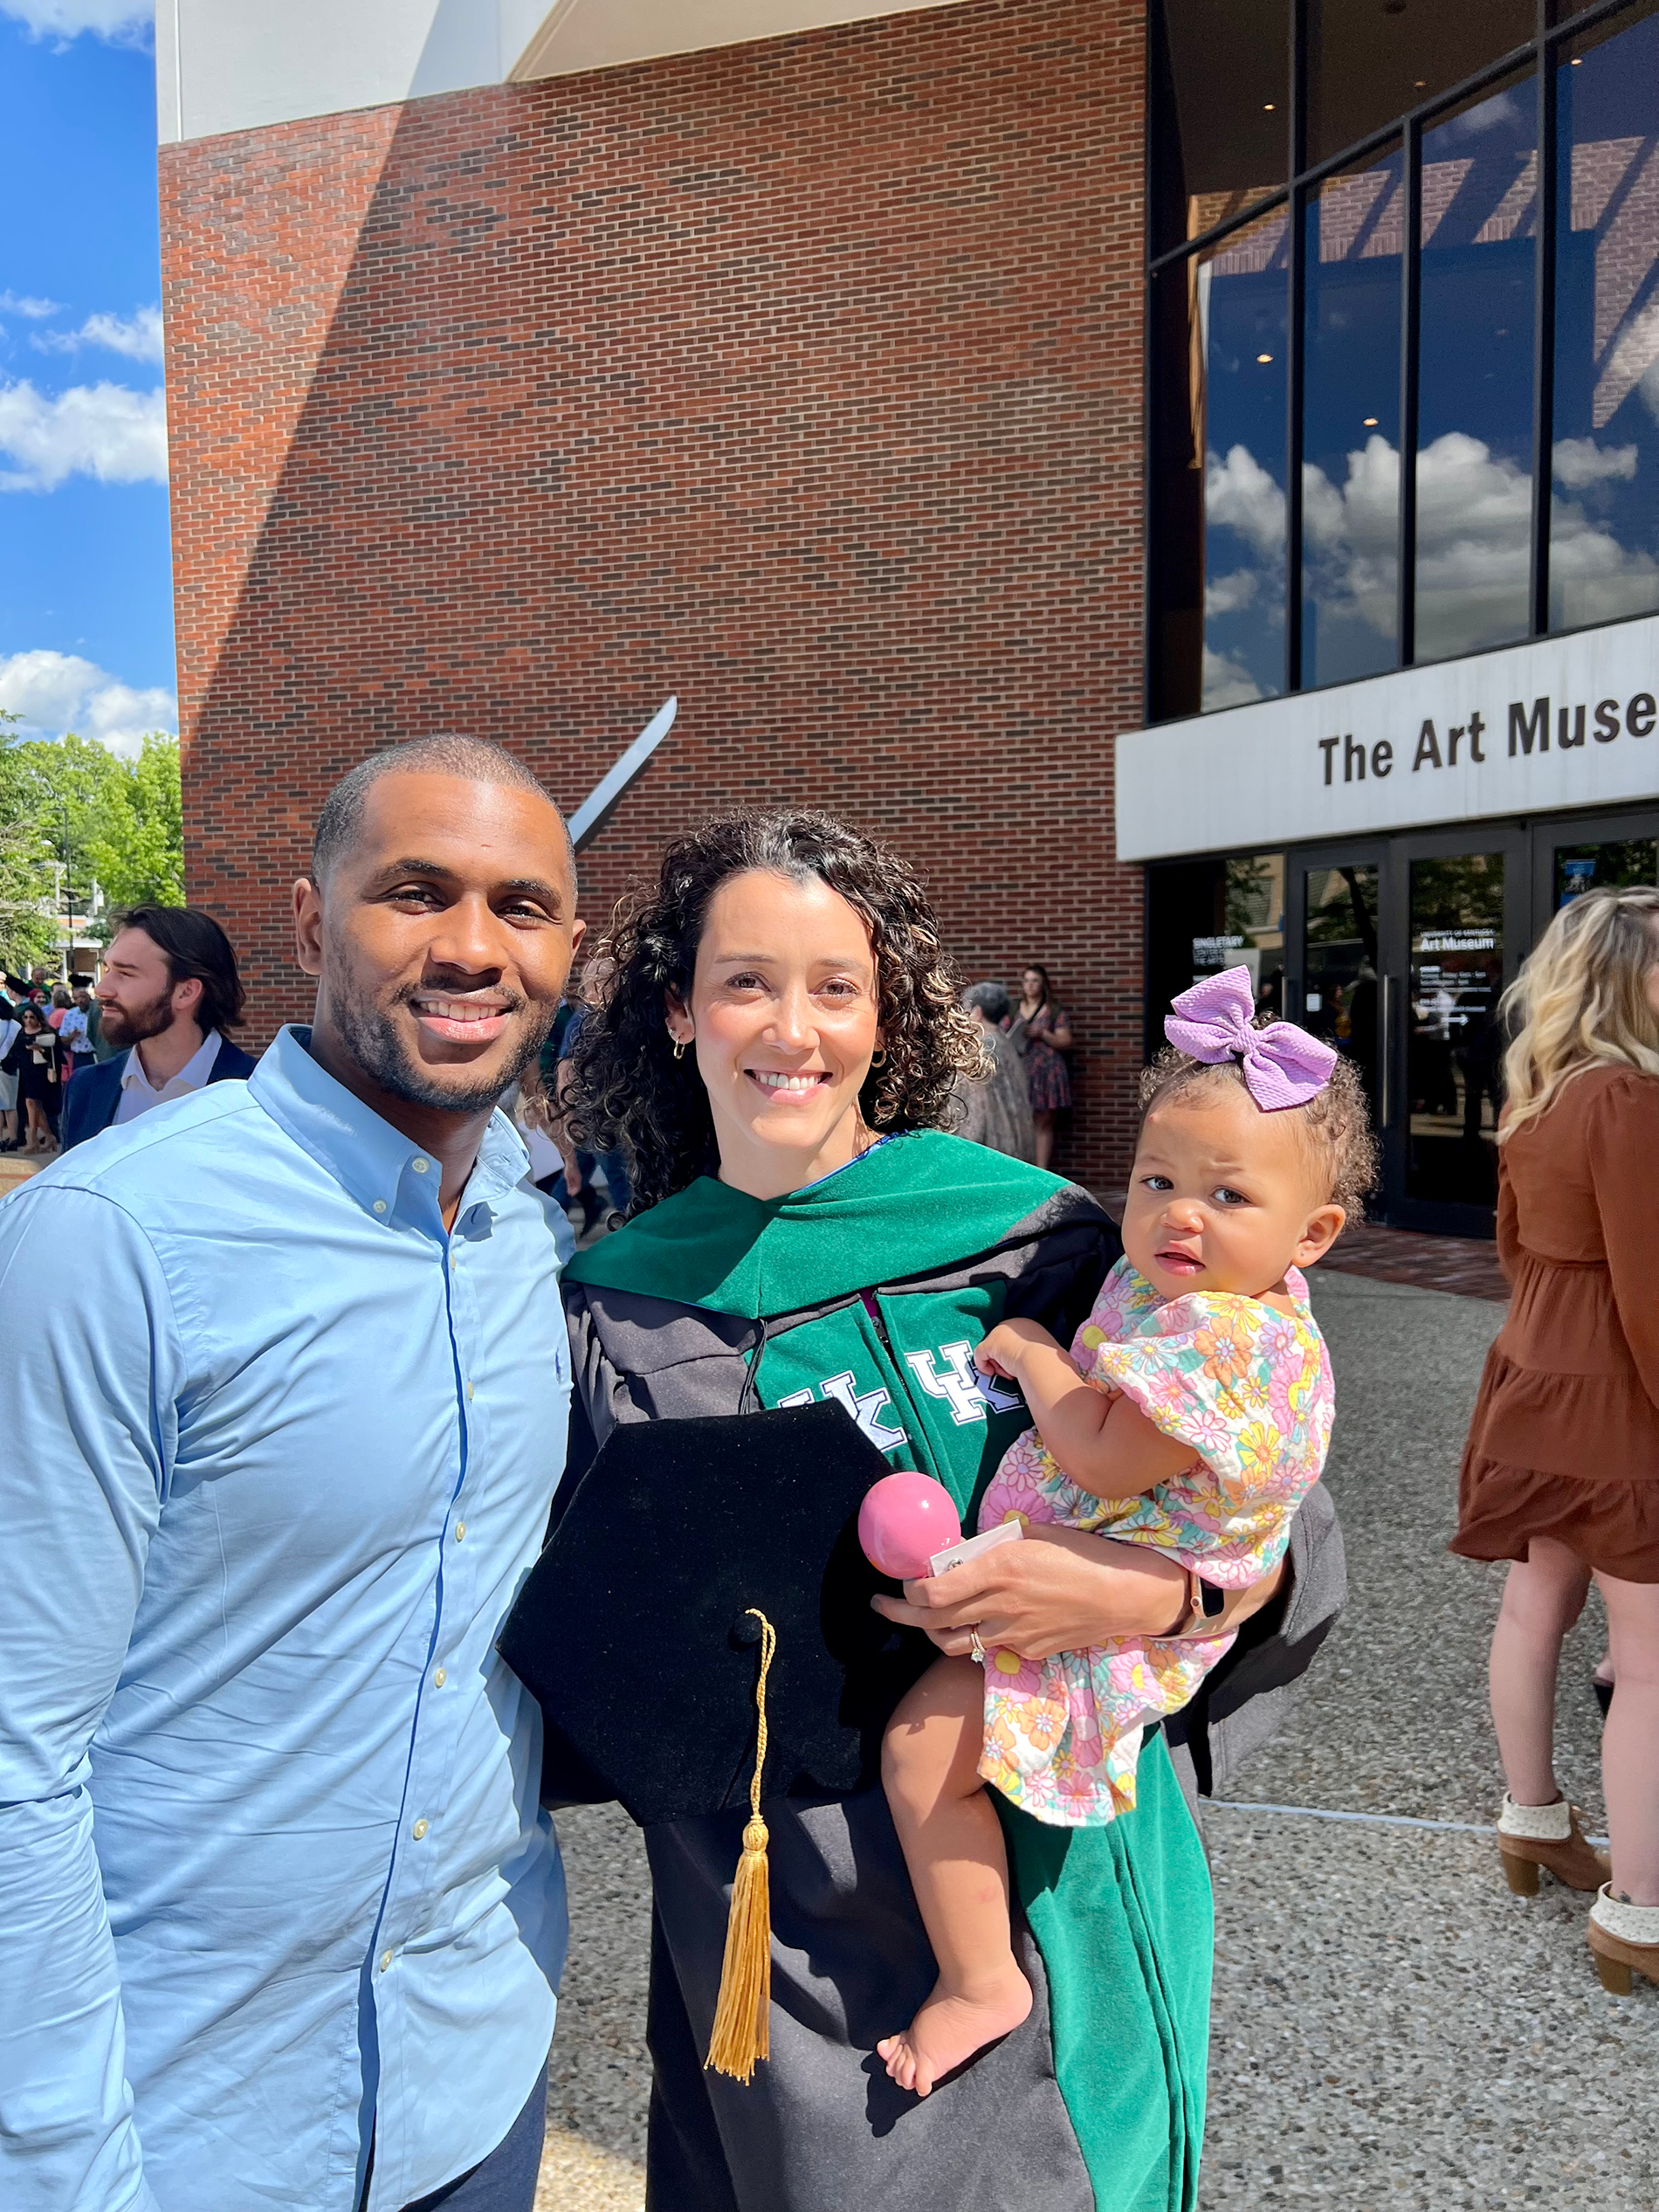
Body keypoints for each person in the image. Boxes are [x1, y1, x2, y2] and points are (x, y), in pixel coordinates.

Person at [555, 810, 1346, 2210]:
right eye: (745, 981)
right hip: (781, 1923)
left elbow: (1277, 1512)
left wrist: (1156, 1595)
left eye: (835, 986)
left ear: (885, 1015)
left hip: (1059, 1874)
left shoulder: (1032, 1243)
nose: (791, 1027)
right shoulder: (613, 1305)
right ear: (678, 1012)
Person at [0, 733, 584, 2211]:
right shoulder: (112, 1237)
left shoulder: (536, 1236)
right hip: (191, 2120)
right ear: (314, 924)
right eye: (415, 892)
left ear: (569, 949)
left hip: (474, 2076)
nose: (471, 947)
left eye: (521, 906)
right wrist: (63, 2161)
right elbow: (16, 1744)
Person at [875, 969, 1369, 2095]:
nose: (1179, 1213)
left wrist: (1035, 1356)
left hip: (1119, 1609)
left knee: (920, 1755)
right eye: (1156, 1179)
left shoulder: (1232, 1339)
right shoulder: (1174, 1292)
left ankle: (977, 1978)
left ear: (1314, 1232)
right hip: (1099, 1578)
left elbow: (1102, 1452)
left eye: (1229, 1197)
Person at [1453, 887, 1659, 1996]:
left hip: (1530, 1380)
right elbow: (1649, 1290)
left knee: (1534, 1610)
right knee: (1652, 1658)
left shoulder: (1534, 1095)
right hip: (1618, 1403)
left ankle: (1532, 1821)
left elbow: (1513, 1255)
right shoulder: (1628, 1097)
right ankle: (1639, 1907)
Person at [59, 906, 257, 1151]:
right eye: (108, 969)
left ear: (185, 992)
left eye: (125, 973)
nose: (101, 989)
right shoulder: (85, 1089)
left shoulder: (260, 1096)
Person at [949, 980, 1036, 1160]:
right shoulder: (1005, 1044)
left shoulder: (981, 1050)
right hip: (1014, 1151)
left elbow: (969, 1112)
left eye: (967, 1010)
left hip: (988, 1154)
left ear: (978, 1013)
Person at [1008, 962, 1072, 1171]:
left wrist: (1042, 1033)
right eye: (1026, 980)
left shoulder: (1053, 1009)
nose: (1030, 985)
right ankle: (1024, 1168)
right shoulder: (1013, 1008)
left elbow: (1065, 1040)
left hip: (1047, 1071)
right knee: (1022, 1121)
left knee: (1043, 1122)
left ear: (1043, 983)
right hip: (1020, 1070)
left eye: (1035, 980)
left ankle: (1042, 1170)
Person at [10, 1000, 64, 1151]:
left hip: (41, 1073)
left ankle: (32, 1138)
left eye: (31, 1017)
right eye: (26, 1017)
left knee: (33, 1104)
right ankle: (49, 1137)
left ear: (38, 1018)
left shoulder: (47, 1032)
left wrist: (40, 1049)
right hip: (26, 1073)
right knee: (34, 1106)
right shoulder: (22, 1032)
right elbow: (17, 1050)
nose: (28, 1020)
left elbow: (56, 1053)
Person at [0, 994, 20, 1150]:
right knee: (11, 1106)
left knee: (1, 1107)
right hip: (11, 1067)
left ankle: (0, 1138)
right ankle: (13, 1138)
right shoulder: (16, 1025)